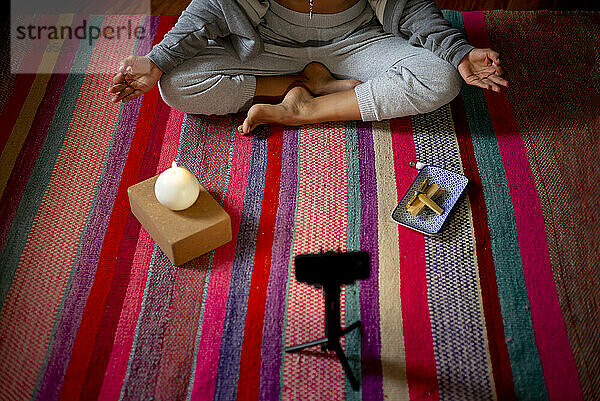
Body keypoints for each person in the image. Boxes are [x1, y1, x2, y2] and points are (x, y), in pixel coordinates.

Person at [109, 0, 507, 135]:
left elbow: (413, 8)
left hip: (357, 41)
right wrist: (158, 60)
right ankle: (304, 82)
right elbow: (210, 9)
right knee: (176, 83)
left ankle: (305, 109)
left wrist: (457, 51)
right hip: (270, 48)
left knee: (439, 77)